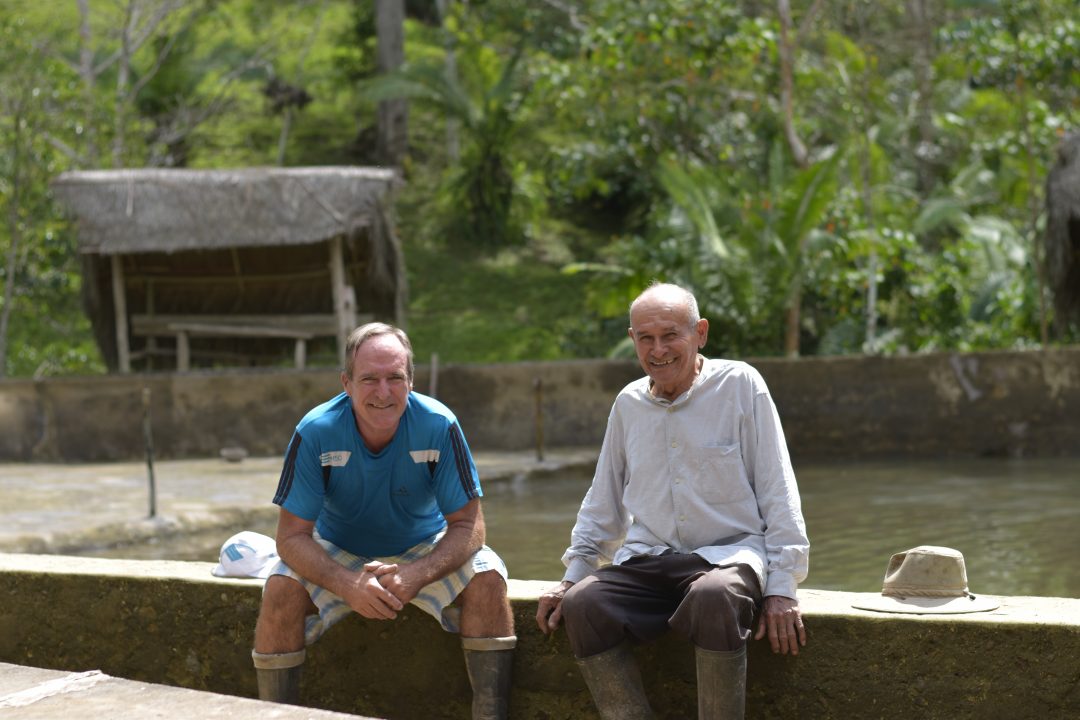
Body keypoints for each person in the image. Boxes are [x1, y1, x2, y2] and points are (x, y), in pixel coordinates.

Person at [535, 283, 809, 720]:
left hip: (728, 558)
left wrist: (782, 587)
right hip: (649, 558)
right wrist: (573, 577)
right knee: (584, 605)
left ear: (700, 333)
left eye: (670, 335)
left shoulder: (741, 385)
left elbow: (778, 488)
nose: (658, 350)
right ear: (633, 340)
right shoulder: (628, 404)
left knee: (714, 596)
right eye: (645, 338)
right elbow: (604, 498)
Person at [253, 322, 515, 719]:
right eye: (369, 379)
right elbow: (291, 537)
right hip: (338, 549)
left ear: (411, 381)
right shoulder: (316, 431)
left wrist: (416, 575)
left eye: (394, 378)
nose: (383, 392)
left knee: (488, 578)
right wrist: (347, 583)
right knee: (279, 589)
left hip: (423, 546)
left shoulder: (438, 424)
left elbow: (470, 526)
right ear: (346, 383)